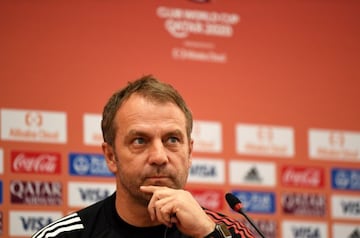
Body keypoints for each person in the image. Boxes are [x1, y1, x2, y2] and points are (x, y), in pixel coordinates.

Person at [32, 75, 255, 238]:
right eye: (140, 140)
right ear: (111, 156)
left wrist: (208, 235)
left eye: (172, 140)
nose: (159, 157)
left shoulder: (229, 232)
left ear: (189, 153)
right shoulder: (61, 237)